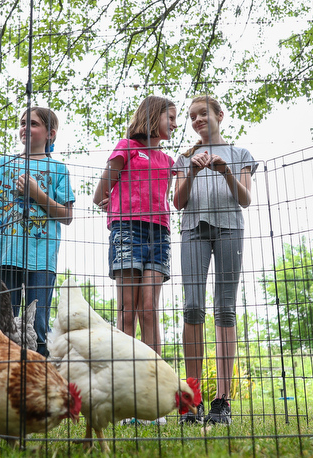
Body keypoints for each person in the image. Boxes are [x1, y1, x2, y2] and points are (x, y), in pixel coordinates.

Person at [173, 95, 253, 425]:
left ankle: (222, 400)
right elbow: (178, 202)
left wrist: (226, 172)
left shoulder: (240, 153)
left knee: (225, 308)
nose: (196, 120)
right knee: (192, 306)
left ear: (220, 115)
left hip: (230, 229)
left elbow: (245, 199)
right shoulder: (184, 156)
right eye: (191, 117)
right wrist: (191, 172)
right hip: (193, 231)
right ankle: (192, 398)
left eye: (202, 114)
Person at [0, 107, 75, 357]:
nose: (25, 128)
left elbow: (68, 216)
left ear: (50, 134)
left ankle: (37, 384)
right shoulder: (1, 164)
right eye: (22, 123)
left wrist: (37, 194)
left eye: (33, 124)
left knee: (36, 327)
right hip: (3, 257)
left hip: (41, 261)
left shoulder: (59, 169)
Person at [93, 96, 176, 358]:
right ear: (153, 117)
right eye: (170, 118)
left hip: (159, 234)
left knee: (149, 308)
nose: (174, 124)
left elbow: (163, 196)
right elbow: (100, 195)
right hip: (127, 231)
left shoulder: (168, 161)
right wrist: (111, 197)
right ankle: (125, 373)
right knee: (127, 310)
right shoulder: (126, 148)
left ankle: (154, 378)